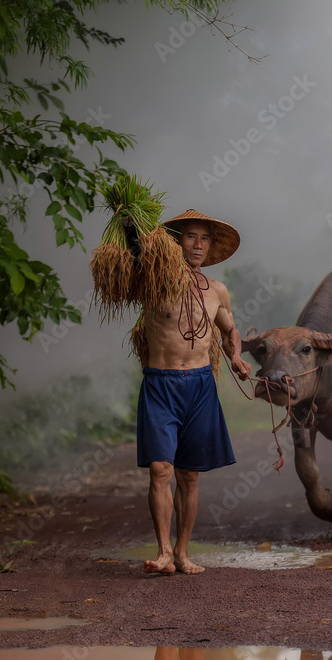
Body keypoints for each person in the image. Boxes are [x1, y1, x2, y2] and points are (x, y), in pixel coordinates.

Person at [137, 209, 251, 575]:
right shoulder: (154, 280)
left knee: (188, 475)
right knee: (160, 468)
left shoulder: (217, 291)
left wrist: (235, 356)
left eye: (204, 238)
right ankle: (164, 552)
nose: (197, 244)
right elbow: (136, 257)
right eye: (190, 236)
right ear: (175, 242)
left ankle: (183, 553)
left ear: (210, 246)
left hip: (200, 385)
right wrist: (130, 230)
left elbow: (230, 330)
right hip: (161, 383)